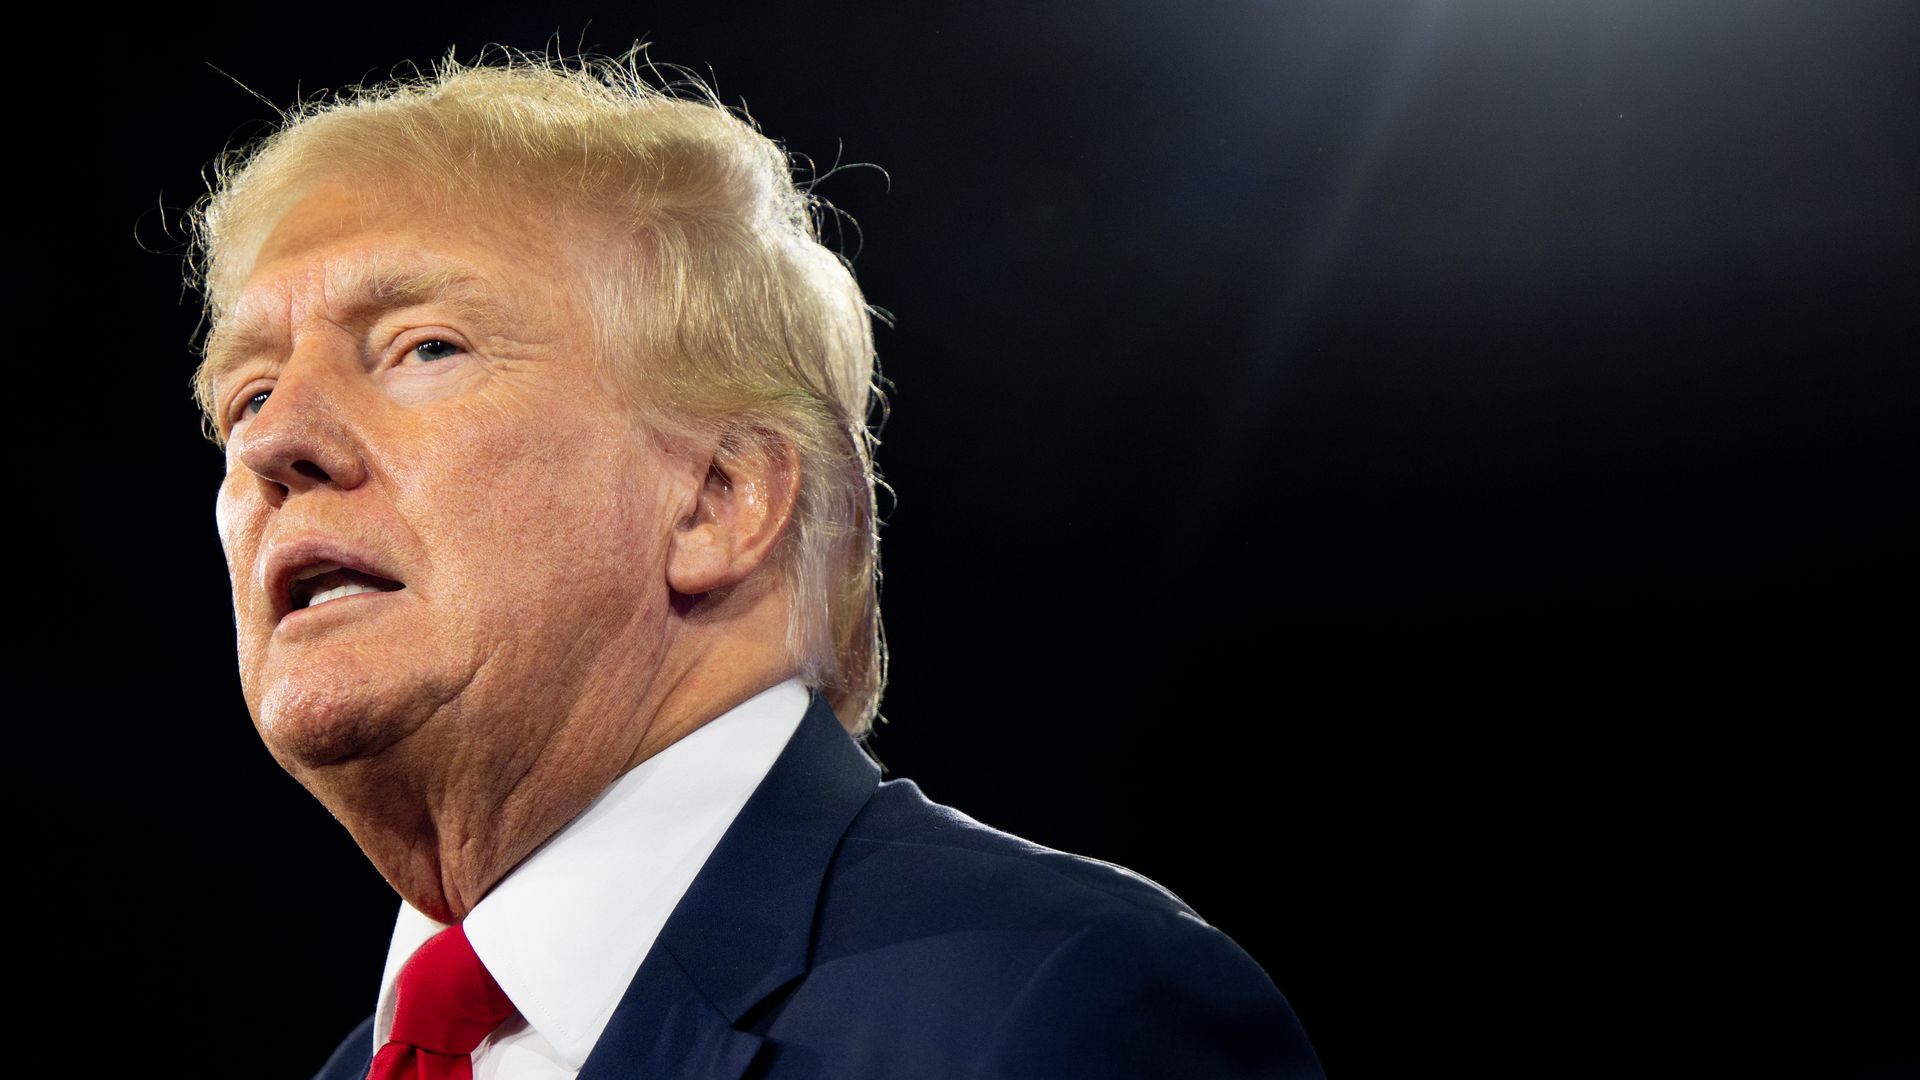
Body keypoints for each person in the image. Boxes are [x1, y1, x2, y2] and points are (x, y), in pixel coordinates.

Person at [193, 51, 1323, 1080]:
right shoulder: (366, 1068)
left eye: (423, 348)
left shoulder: (1053, 1012)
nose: (272, 441)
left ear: (719, 499)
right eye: (244, 394)